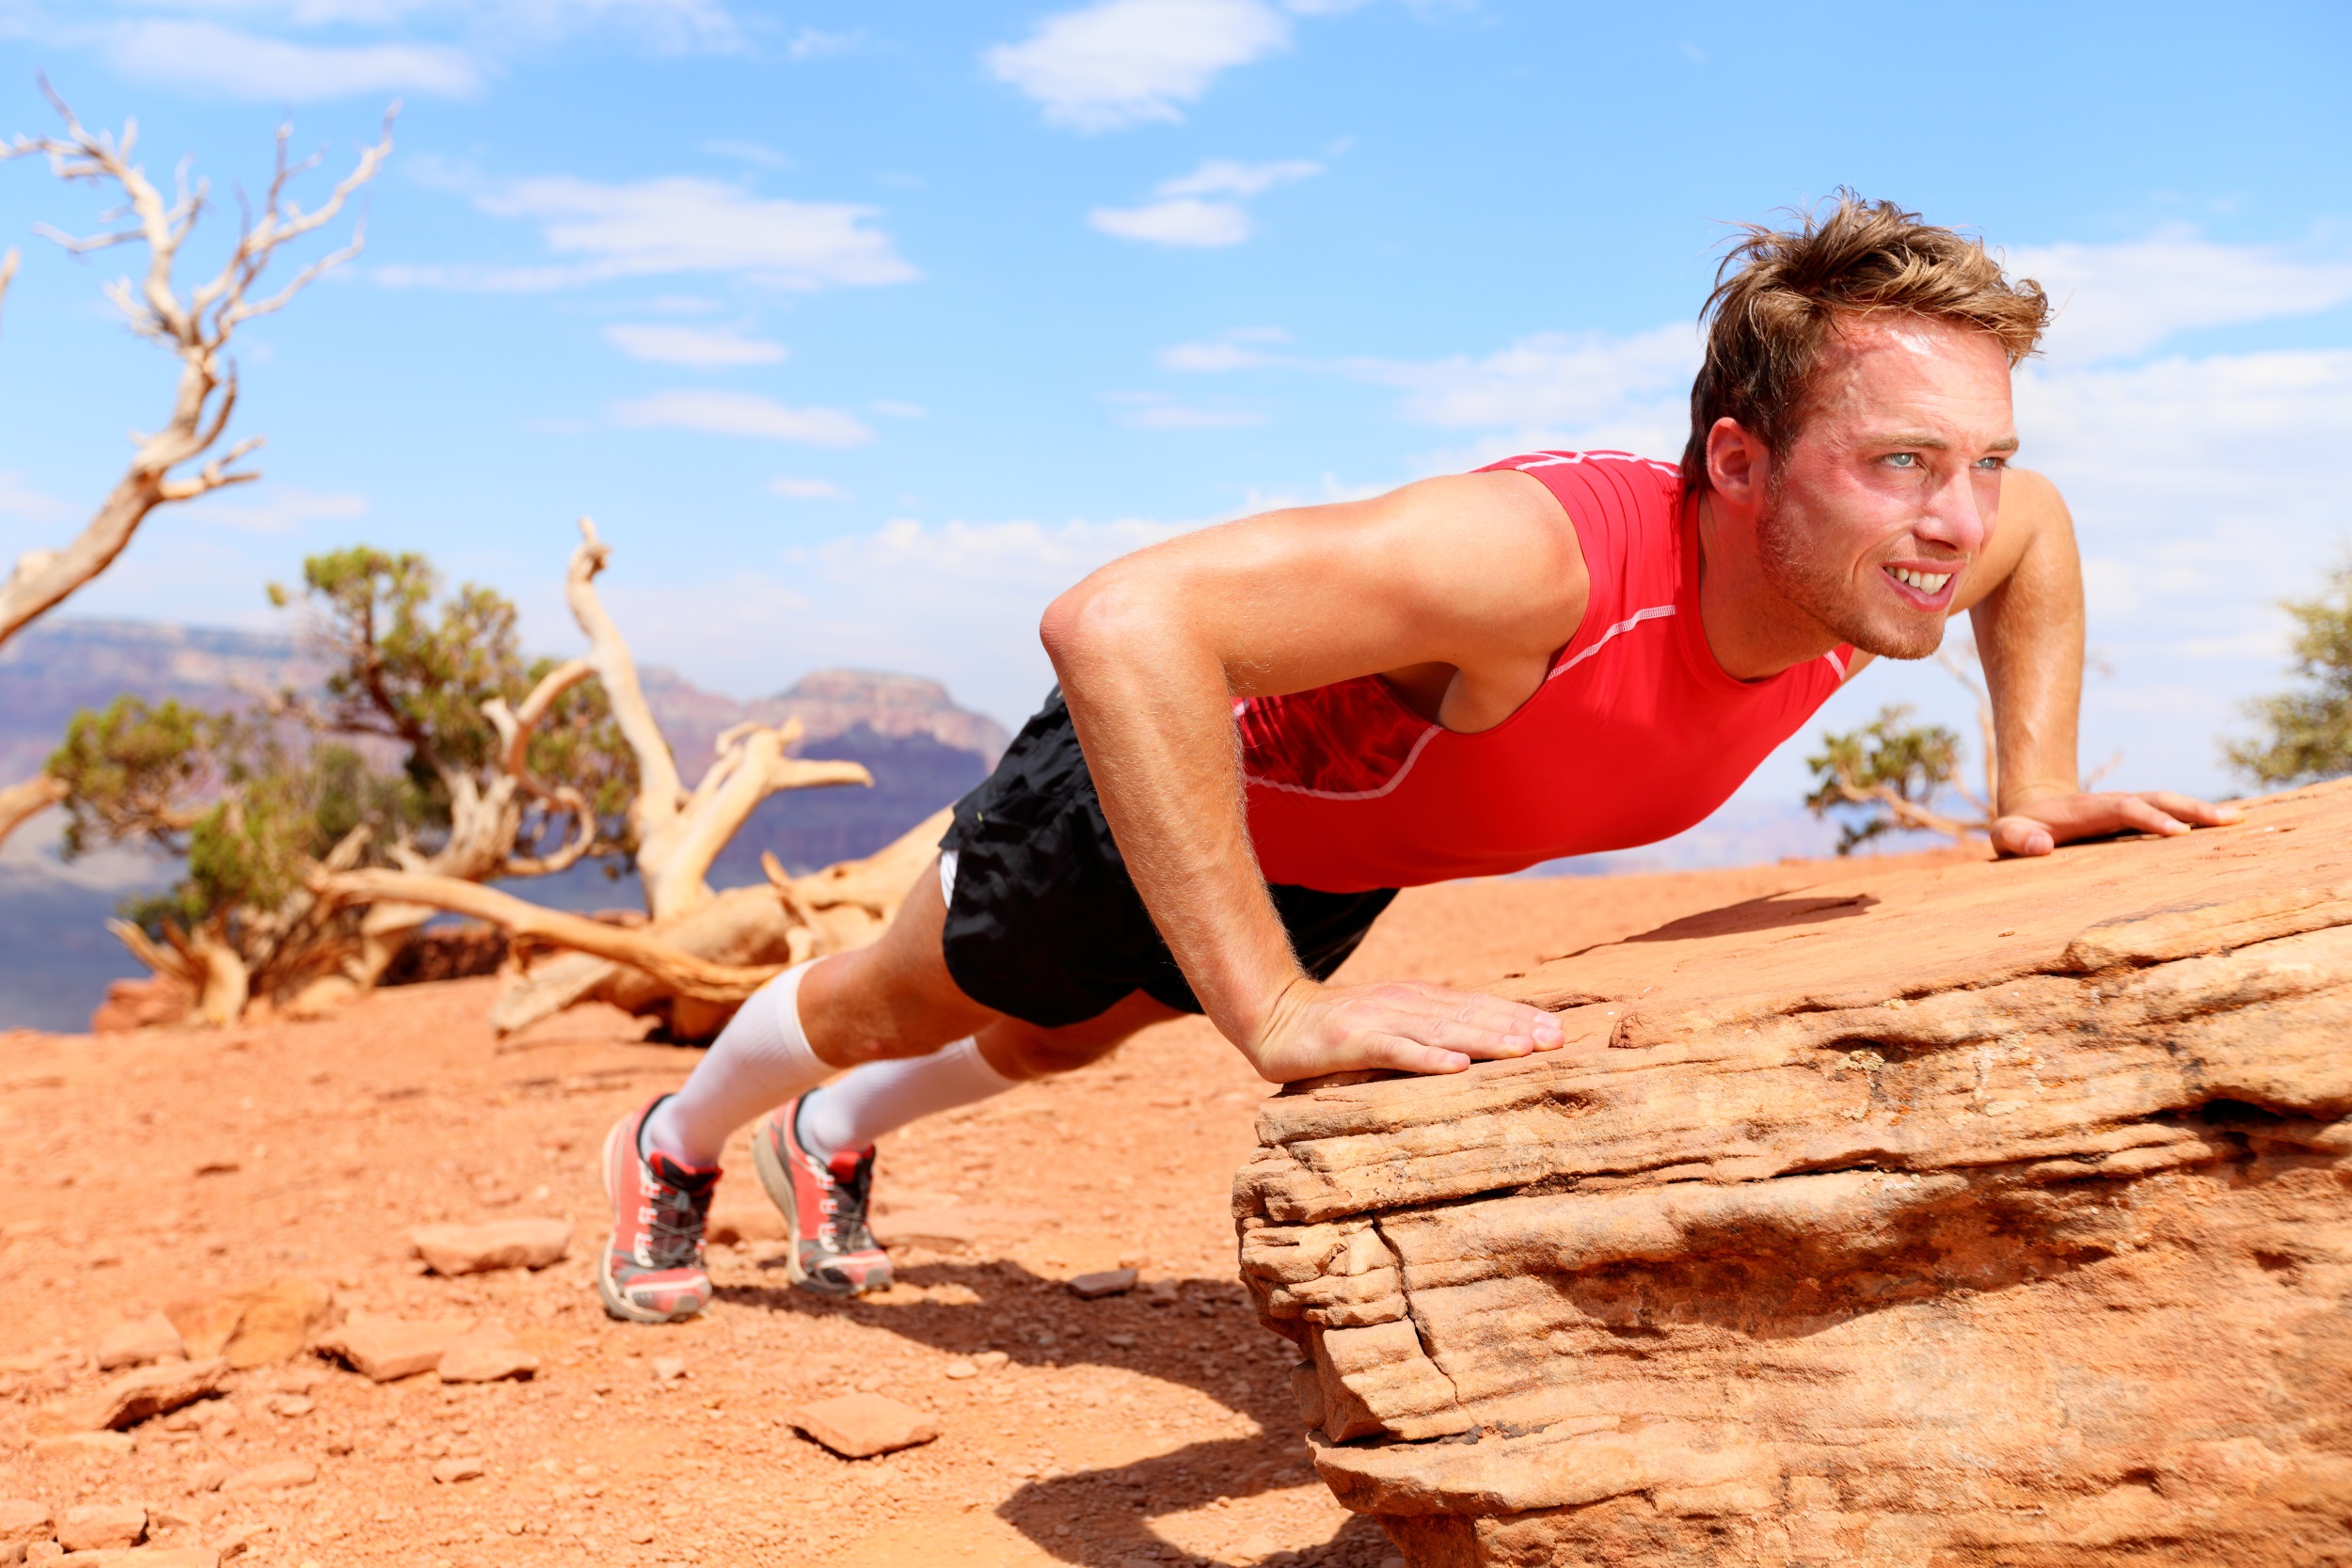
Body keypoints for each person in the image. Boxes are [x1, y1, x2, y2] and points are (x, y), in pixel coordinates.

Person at [596, 194, 2241, 1324]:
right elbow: (1120, 625)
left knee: (1072, 1044)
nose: (1957, 518)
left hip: (1338, 850)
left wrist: (2037, 784)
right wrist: (1281, 1014)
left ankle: (827, 1144)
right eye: (1900, 462)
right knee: (911, 998)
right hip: (1149, 789)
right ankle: (676, 1140)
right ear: (1740, 462)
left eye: (1981, 459)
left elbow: (2042, 538)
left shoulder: (1906, 546)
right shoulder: (1546, 566)